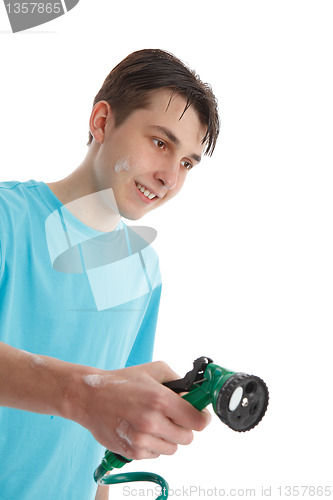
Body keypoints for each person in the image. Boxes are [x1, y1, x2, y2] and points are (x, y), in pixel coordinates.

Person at [0, 49, 220, 500]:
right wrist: (82, 394)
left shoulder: (145, 270)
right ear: (102, 122)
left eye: (187, 163)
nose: (170, 178)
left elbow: (99, 446)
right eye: (161, 143)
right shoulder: (7, 220)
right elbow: (94, 399)